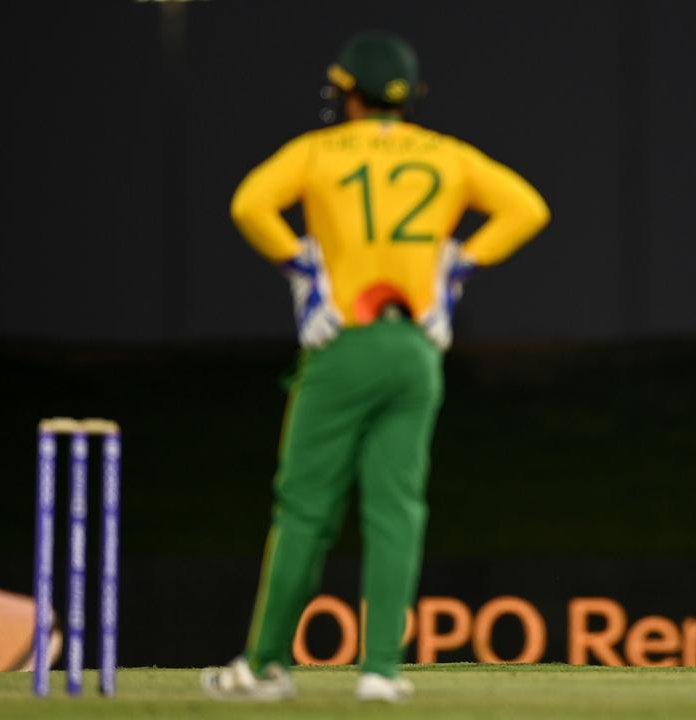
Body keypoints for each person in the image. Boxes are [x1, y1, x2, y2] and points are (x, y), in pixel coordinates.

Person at [201, 31, 550, 702]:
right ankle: (380, 673)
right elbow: (528, 207)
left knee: (304, 511)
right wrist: (459, 267)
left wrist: (300, 265)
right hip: (417, 347)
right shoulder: (445, 155)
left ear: (347, 92)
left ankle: (261, 666)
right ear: (409, 98)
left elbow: (249, 203)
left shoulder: (319, 150)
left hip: (343, 344)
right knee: (397, 512)